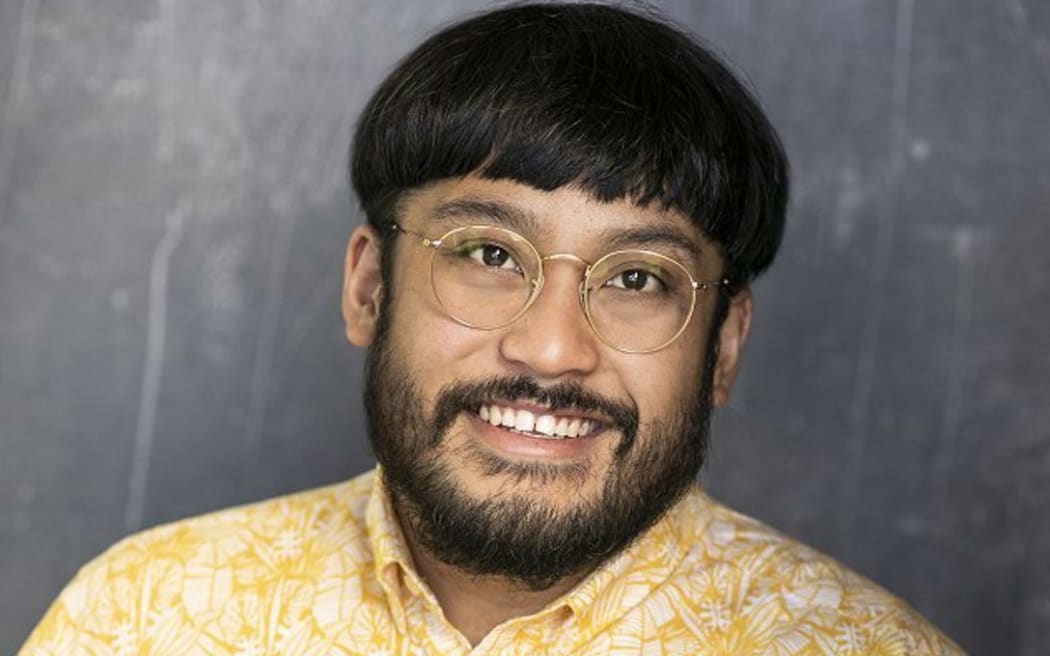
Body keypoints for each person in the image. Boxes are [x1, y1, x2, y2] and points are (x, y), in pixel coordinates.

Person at [20, 3, 964, 654]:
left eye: (637, 277)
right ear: (367, 287)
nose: (552, 349)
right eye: (488, 255)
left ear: (722, 345)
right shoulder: (142, 615)